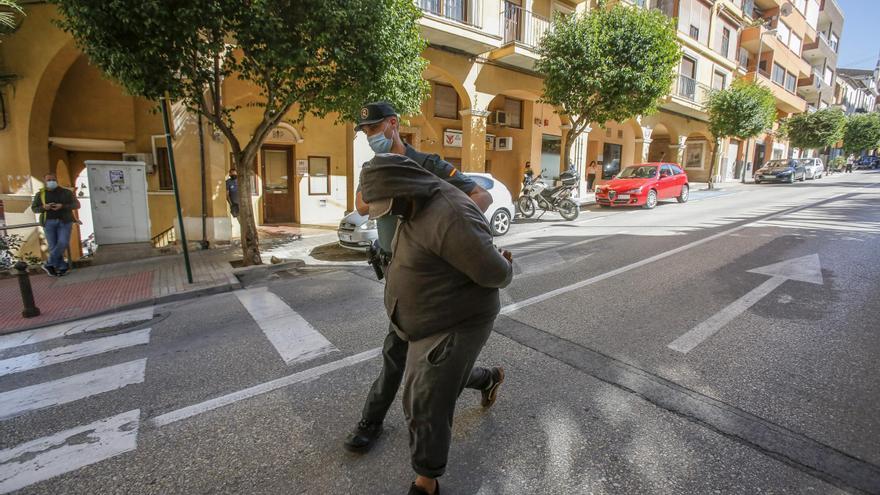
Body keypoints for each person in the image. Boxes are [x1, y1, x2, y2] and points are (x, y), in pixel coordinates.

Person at [345, 101, 497, 455]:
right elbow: (362, 205)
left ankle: (371, 422)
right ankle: (486, 378)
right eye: (365, 131)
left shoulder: (428, 166)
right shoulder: (373, 168)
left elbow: (481, 196)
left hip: (432, 276)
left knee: (401, 353)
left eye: (374, 128)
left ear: (393, 124)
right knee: (420, 356)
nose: (369, 135)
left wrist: (443, 220)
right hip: (396, 274)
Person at [360, 153, 512, 495]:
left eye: (389, 203)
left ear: (406, 187)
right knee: (442, 379)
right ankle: (489, 379)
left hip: (455, 319)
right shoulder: (412, 206)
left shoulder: (451, 214)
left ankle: (426, 481)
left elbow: (496, 273)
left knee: (424, 399)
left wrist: (504, 263)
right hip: (419, 319)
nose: (388, 210)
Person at [31, 173, 80, 277]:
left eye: (53, 179)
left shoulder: (66, 192)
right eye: (49, 180)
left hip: (65, 221)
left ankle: (48, 264)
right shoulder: (40, 194)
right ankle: (62, 267)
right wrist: (44, 207)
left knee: (63, 242)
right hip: (48, 222)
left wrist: (62, 206)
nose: (51, 181)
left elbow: (76, 205)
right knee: (53, 246)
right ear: (44, 181)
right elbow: (34, 209)